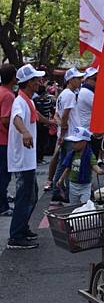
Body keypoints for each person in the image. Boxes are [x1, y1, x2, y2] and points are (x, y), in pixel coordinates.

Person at [6, 64, 45, 249]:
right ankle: (16, 236)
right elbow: (16, 118)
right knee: (25, 197)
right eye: (36, 79)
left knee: (31, 195)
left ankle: (22, 228)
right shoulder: (19, 102)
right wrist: (24, 133)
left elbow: (34, 115)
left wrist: (50, 121)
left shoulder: (27, 100)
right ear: (28, 82)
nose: (39, 82)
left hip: (27, 159)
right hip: (22, 159)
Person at [51, 67, 85, 204]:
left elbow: (57, 115)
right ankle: (70, 194)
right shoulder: (70, 95)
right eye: (78, 78)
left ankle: (56, 191)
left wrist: (61, 131)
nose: (80, 81)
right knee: (71, 165)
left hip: (66, 136)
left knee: (62, 164)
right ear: (70, 80)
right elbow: (64, 116)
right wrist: (63, 130)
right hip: (71, 136)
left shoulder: (63, 94)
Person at [57, 127, 103, 204]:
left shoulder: (89, 155)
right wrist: (61, 179)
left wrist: (100, 171)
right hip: (73, 185)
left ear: (84, 142)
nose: (73, 144)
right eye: (72, 142)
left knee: (84, 205)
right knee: (73, 206)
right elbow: (68, 168)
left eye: (76, 142)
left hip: (85, 185)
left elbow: (94, 166)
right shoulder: (72, 154)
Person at [0, 64, 17, 217]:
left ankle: (3, 198)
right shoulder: (8, 95)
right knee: (4, 175)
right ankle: (3, 206)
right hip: (4, 141)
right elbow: (5, 119)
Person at [75, 67, 102, 160]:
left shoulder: (88, 91)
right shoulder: (86, 92)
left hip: (90, 131)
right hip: (89, 133)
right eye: (95, 79)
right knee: (88, 163)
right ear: (87, 80)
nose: (97, 81)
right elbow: (100, 107)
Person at [34, 84, 54, 165]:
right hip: (46, 122)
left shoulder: (35, 100)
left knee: (38, 141)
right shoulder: (49, 100)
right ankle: (41, 158)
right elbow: (51, 109)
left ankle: (37, 158)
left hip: (38, 123)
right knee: (43, 141)